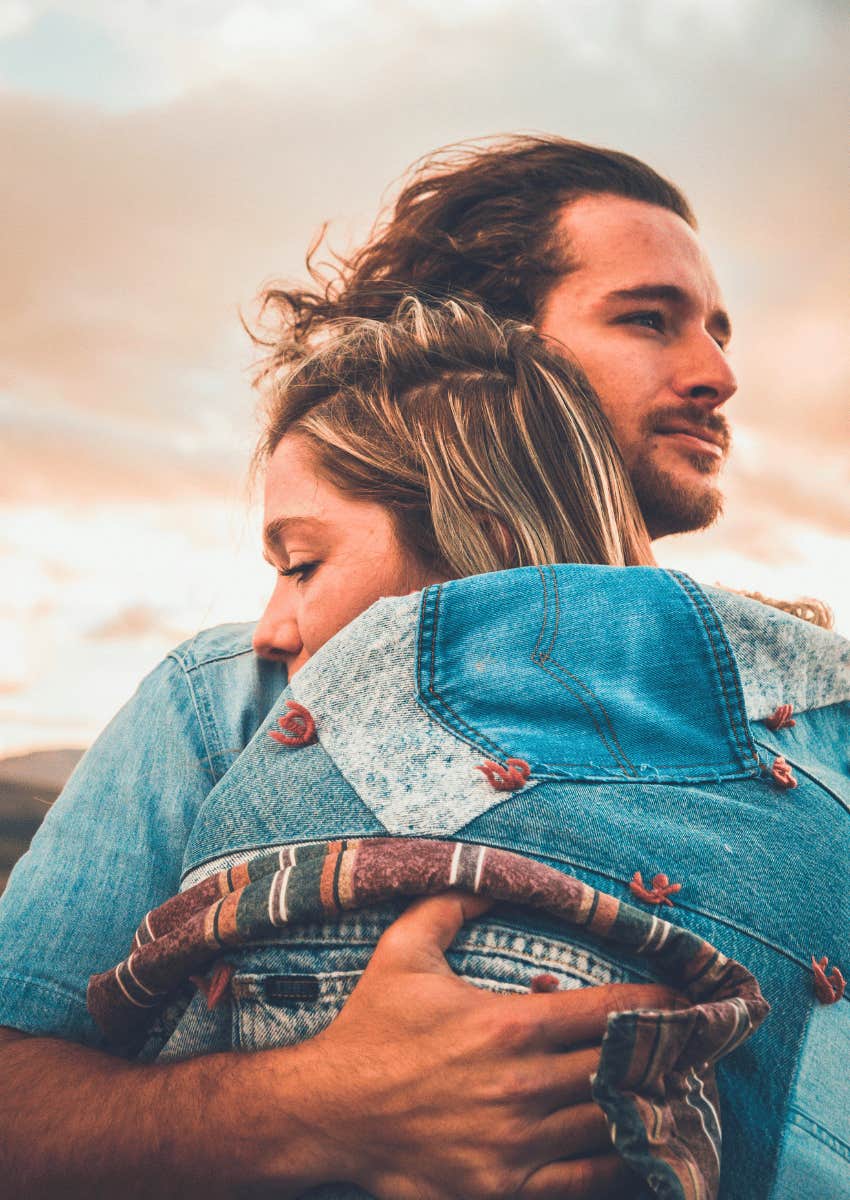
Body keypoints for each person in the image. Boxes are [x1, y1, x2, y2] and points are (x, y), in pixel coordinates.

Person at [0, 137, 843, 1198]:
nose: (718, 374)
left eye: (717, 329)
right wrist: (308, 1105)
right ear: (486, 344)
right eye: (646, 319)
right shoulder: (234, 698)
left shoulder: (810, 713)